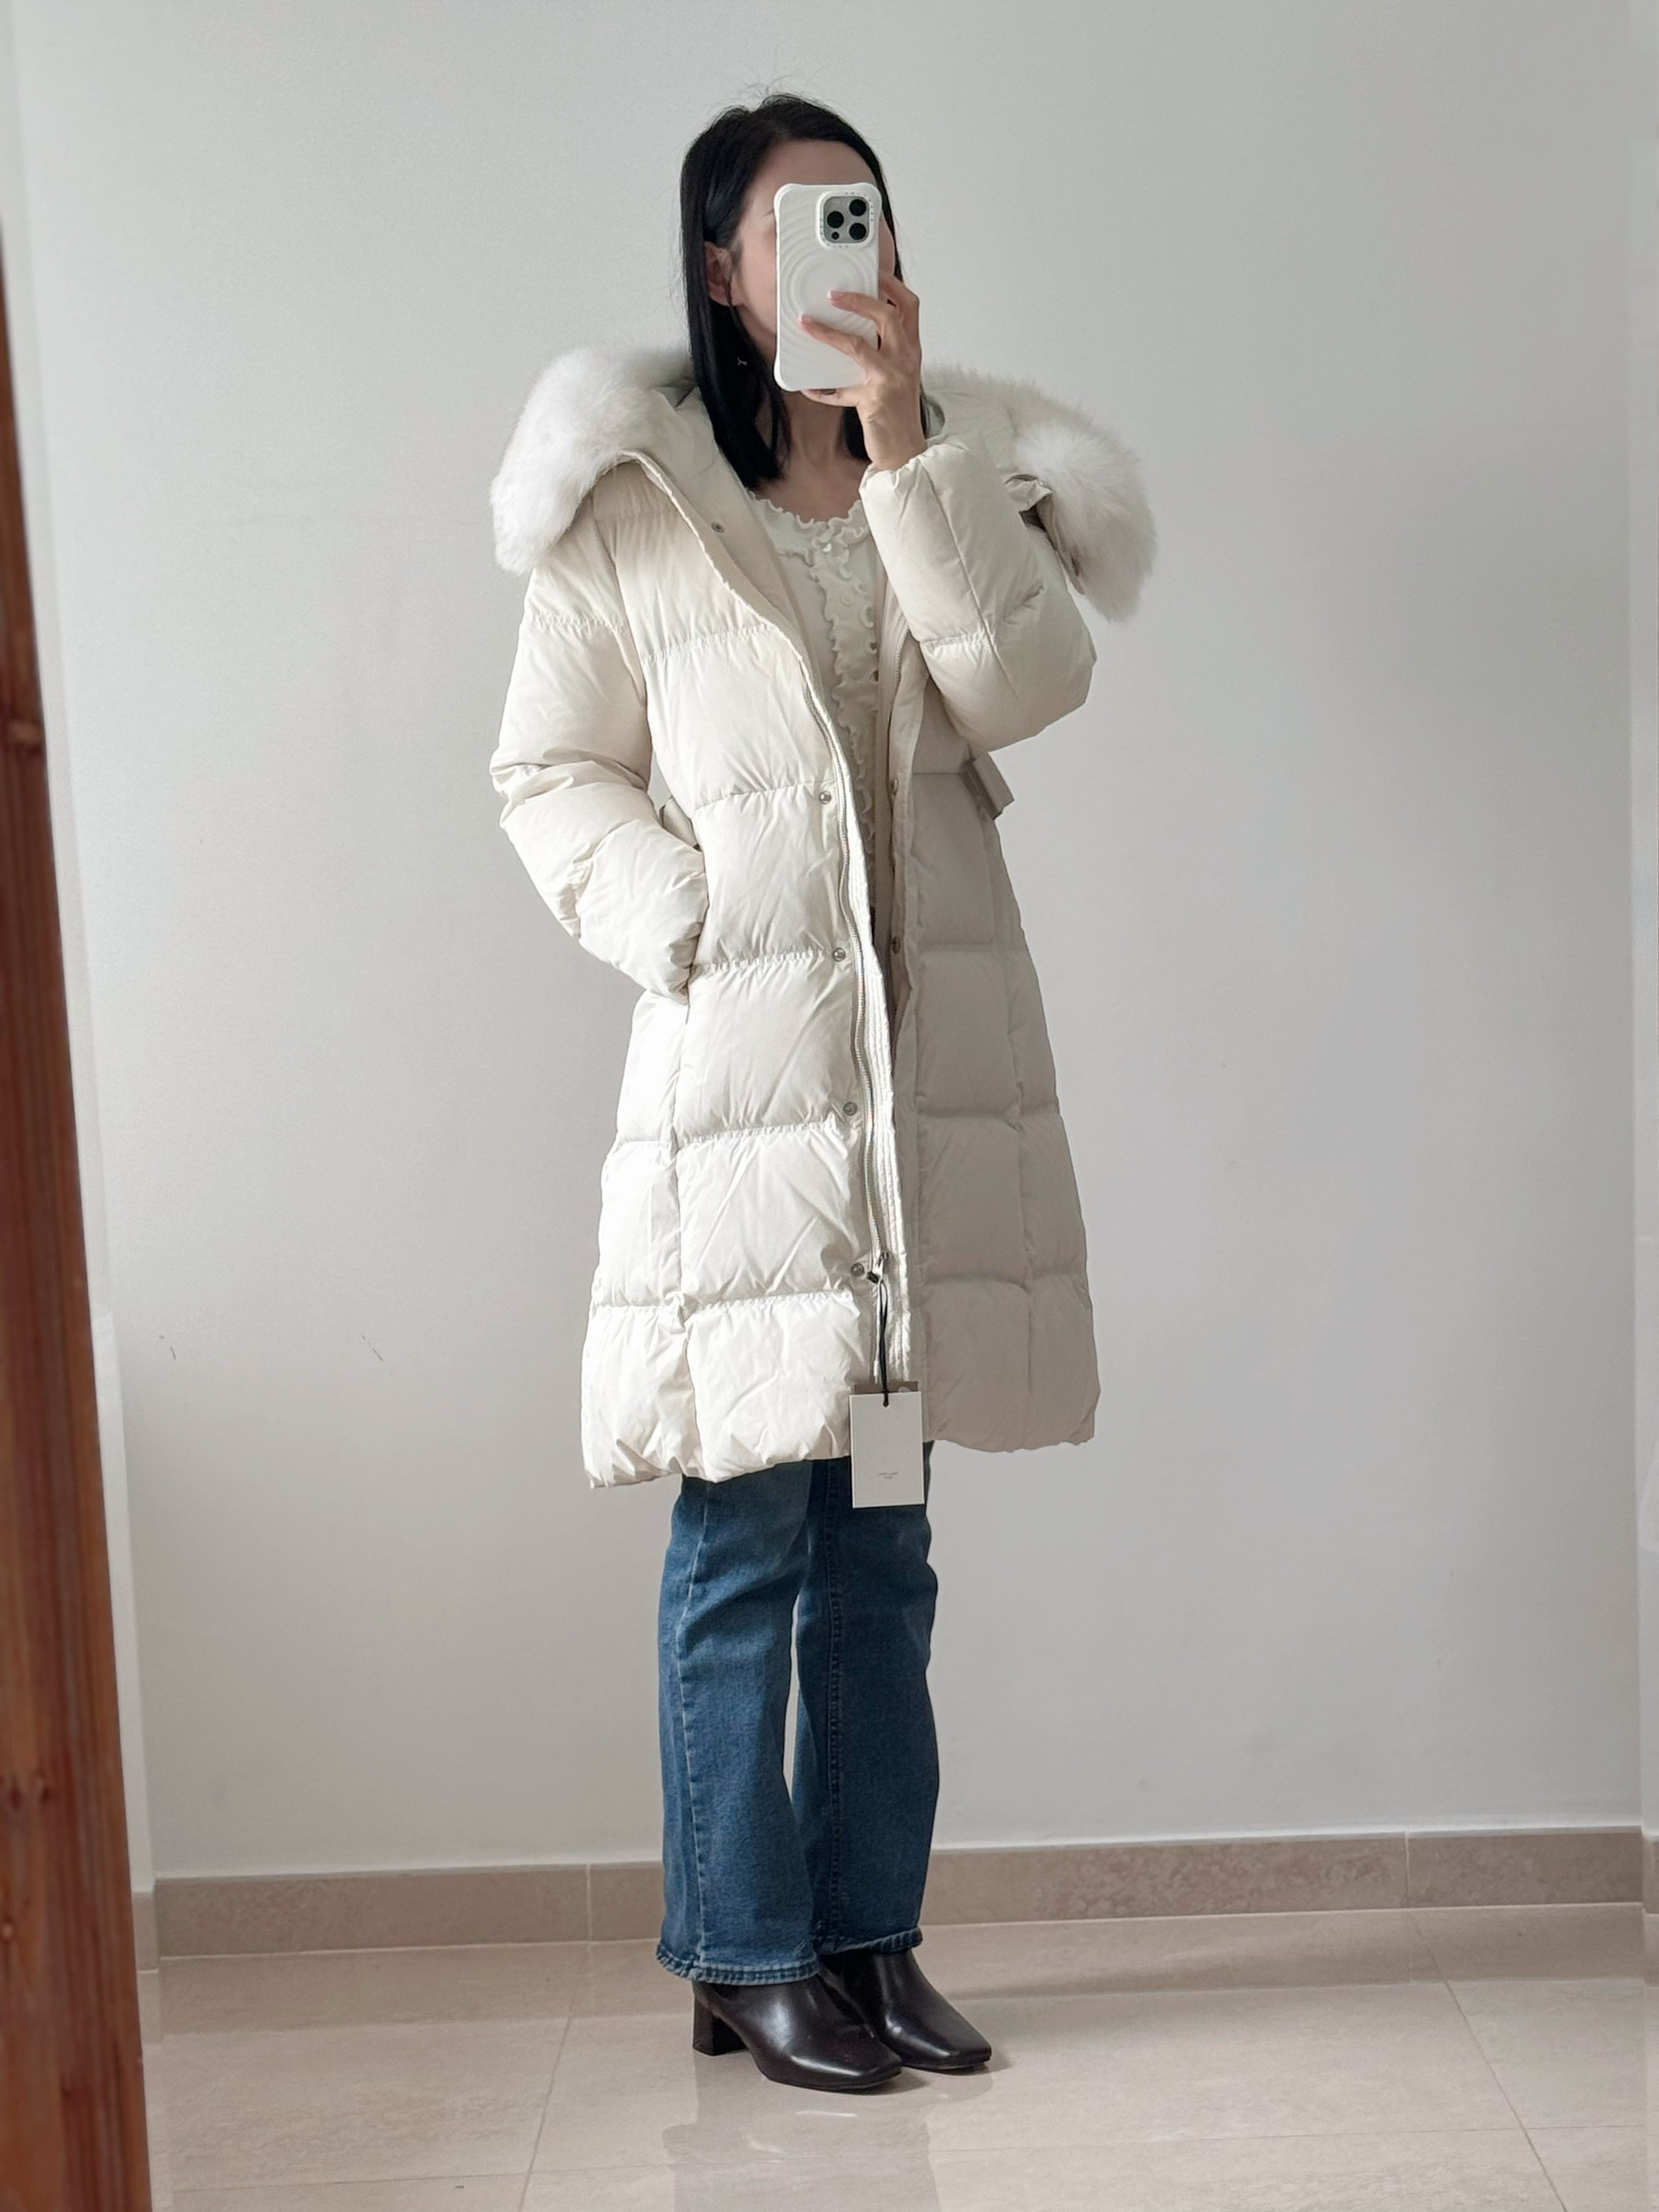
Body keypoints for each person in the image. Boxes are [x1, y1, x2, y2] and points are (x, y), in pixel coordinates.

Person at [487, 93, 1155, 2093]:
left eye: (859, 216)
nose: (833, 251)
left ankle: (868, 1940)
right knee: (741, 1547)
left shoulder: (950, 474)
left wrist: (907, 452)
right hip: (745, 1105)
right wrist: (684, 918)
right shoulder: (636, 503)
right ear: (722, 266)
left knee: (883, 1551)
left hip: (915, 1107)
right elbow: (548, 772)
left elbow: (1028, 683)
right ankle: (746, 1951)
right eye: (794, 224)